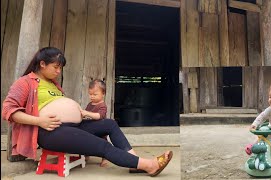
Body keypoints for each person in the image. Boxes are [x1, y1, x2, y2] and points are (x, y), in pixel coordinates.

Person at [2, 47, 173, 176]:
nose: (58, 71)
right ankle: (149, 165)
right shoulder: (25, 82)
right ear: (42, 64)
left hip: (72, 126)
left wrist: (78, 111)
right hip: (50, 131)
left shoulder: (53, 84)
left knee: (110, 124)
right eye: (56, 67)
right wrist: (40, 121)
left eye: (60, 68)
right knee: (102, 146)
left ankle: (133, 162)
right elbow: (8, 111)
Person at [79, 79, 109, 167]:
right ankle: (86, 155)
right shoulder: (90, 104)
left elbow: (99, 116)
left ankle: (105, 158)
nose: (92, 96)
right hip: (91, 128)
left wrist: (87, 113)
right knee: (87, 141)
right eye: (90, 94)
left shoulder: (102, 105)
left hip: (100, 129)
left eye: (95, 94)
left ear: (103, 94)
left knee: (102, 144)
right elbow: (85, 114)